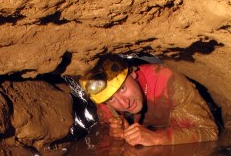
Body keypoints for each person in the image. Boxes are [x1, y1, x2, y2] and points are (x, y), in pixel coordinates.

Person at [79, 55, 218, 146]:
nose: (124, 103)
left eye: (122, 89)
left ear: (132, 73)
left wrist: (157, 138)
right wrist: (115, 134)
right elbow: (100, 134)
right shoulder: (103, 98)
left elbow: (209, 132)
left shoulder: (168, 82)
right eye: (111, 99)